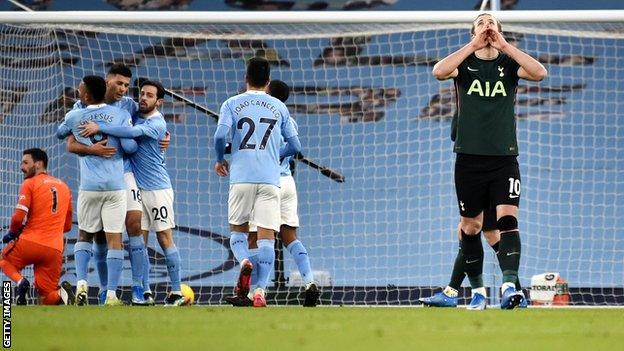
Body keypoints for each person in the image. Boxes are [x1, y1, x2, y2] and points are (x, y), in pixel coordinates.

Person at [431, 13, 546, 309]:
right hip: (468, 159)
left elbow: (540, 72)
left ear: (500, 31)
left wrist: (506, 46)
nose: (487, 26)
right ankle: (478, 293)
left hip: (504, 157)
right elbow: (439, 72)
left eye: (491, 22)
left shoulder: (508, 64)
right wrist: (472, 46)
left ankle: (508, 286)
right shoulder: (464, 65)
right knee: (470, 227)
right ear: (473, 32)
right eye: (481, 23)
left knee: (507, 221)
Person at [64, 64, 169, 305]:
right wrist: (91, 149)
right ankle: (104, 290)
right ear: (107, 81)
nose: (123, 89)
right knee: (100, 236)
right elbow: (69, 144)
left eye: (126, 85)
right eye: (118, 83)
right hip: (96, 177)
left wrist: (165, 135)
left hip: (125, 173)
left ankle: (139, 288)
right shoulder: (82, 106)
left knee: (134, 224)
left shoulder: (130, 106)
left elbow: (154, 122)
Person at [80, 80, 184, 306]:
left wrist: (100, 128)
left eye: (149, 95)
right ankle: (144, 290)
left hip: (158, 188)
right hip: (137, 186)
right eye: (142, 94)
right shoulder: (135, 113)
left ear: (160, 102)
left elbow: (131, 132)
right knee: (140, 241)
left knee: (165, 238)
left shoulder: (156, 123)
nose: (143, 98)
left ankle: (177, 291)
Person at [214, 57, 301, 307]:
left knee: (238, 231)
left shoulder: (232, 103)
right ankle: (260, 291)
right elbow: (295, 146)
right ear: (269, 81)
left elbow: (220, 134)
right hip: (270, 179)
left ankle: (243, 262)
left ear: (246, 79)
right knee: (266, 237)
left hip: (241, 178)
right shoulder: (279, 107)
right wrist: (275, 156)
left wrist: (220, 158)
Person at [226, 79, 319, 307]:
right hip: (288, 182)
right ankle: (309, 282)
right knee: (290, 238)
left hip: (267, 181)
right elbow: (294, 146)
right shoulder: (290, 120)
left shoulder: (261, 117)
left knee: (253, 238)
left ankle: (257, 292)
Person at [57, 75, 138, 306]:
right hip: (115, 186)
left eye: (80, 90)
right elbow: (130, 145)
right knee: (115, 239)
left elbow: (60, 133)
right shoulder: (121, 115)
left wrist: (87, 145)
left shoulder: (75, 115)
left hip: (89, 187)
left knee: (84, 235)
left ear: (85, 96)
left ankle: (82, 284)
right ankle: (111, 295)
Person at [0, 148, 74, 305]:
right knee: (47, 297)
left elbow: (18, 217)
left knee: (3, 260)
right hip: (54, 249)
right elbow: (67, 226)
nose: (22, 167)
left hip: (30, 243)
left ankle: (21, 282)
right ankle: (63, 293)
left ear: (38, 164)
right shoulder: (65, 187)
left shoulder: (30, 183)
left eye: (26, 163)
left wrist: (12, 233)